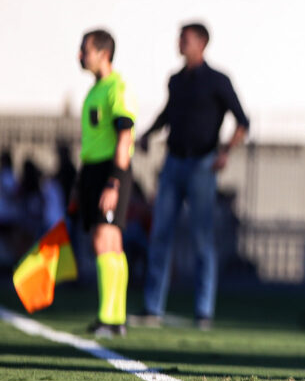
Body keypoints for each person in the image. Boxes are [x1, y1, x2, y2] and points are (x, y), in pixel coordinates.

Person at [135, 23, 249, 329]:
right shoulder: (176, 80)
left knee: (202, 239)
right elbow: (167, 114)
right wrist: (147, 134)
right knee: (160, 235)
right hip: (173, 164)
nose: (180, 43)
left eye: (185, 39)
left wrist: (226, 151)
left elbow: (242, 121)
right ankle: (152, 308)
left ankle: (203, 311)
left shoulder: (217, 80)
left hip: (202, 166)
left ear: (202, 43)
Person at [75, 29, 137, 337]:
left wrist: (114, 181)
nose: (80, 55)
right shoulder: (95, 90)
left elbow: (125, 134)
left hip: (110, 171)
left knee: (105, 239)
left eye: (85, 50)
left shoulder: (116, 87)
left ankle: (108, 318)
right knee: (110, 242)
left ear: (103, 53)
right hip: (93, 171)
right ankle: (115, 319)